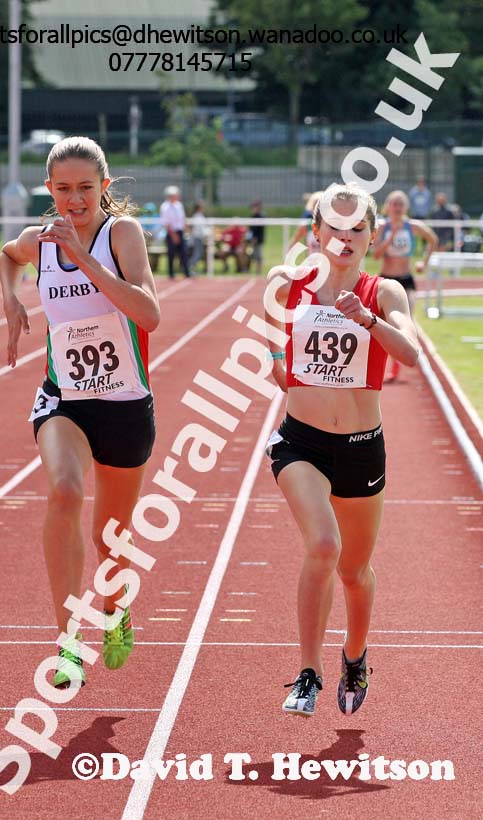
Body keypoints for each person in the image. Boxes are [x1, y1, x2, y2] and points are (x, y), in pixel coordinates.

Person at [0, 136, 160, 689]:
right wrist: (10, 296)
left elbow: (150, 315)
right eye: (63, 189)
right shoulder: (38, 241)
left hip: (124, 404)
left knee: (111, 537)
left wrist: (84, 258)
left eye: (84, 189)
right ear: (49, 190)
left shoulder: (122, 235)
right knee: (64, 491)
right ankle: (68, 642)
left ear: (104, 188)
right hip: (64, 399)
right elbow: (7, 254)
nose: (73, 200)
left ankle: (115, 609)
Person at [265, 182, 419, 717]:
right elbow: (273, 341)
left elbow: (412, 353)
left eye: (358, 229)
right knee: (323, 546)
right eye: (336, 226)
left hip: (360, 447)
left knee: (354, 570)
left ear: (373, 237)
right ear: (317, 233)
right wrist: (275, 359)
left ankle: (356, 653)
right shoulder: (289, 286)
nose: (347, 237)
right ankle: (307, 673)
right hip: (301, 442)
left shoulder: (386, 293)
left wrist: (368, 321)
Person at [372, 190, 436, 381]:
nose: (397, 208)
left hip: (406, 280)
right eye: (394, 204)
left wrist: (424, 262)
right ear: (388, 206)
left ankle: (396, 367)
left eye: (401, 204)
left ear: (406, 207)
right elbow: (375, 254)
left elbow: (432, 239)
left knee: (405, 323)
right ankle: (381, 365)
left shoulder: (412, 226)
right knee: (380, 325)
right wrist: (392, 236)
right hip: (387, 281)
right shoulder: (382, 227)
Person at [159, 185, 191, 279]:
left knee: (183, 252)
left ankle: (186, 272)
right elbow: (166, 222)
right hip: (171, 232)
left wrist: (185, 229)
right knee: (171, 253)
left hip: (180, 231)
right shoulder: (165, 207)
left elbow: (182, 219)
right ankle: (171, 273)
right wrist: (173, 235)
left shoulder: (179, 205)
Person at [288, 191, 323, 255]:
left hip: (328, 263)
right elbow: (294, 241)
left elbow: (339, 250)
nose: (317, 210)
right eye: (314, 206)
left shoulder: (332, 226)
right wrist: (287, 257)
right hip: (311, 262)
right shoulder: (307, 225)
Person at [188, 201, 208, 271]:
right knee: (197, 254)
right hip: (197, 238)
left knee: (199, 254)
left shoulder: (200, 216)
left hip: (199, 238)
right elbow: (199, 229)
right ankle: (188, 265)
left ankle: (191, 267)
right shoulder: (197, 216)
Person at [248, 199, 266, 274]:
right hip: (253, 239)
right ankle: (254, 269)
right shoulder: (253, 216)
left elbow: (259, 230)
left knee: (258, 255)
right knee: (254, 254)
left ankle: (258, 270)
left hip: (258, 239)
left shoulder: (261, 216)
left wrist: (255, 238)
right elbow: (251, 229)